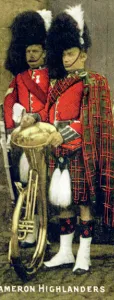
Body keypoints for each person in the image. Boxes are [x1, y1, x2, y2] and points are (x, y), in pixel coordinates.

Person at [21, 5, 114, 275]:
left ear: (83, 55)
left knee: (83, 203)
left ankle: (83, 255)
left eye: (71, 53)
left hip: (80, 149)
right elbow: (46, 112)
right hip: (57, 149)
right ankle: (65, 252)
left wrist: (60, 133)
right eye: (63, 53)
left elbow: (93, 122)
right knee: (63, 204)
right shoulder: (55, 84)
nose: (66, 59)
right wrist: (32, 117)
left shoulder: (94, 82)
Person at [3, 9, 52, 248]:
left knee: (44, 186)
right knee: (26, 184)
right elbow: (9, 102)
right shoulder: (20, 77)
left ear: (44, 53)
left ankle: (46, 228)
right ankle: (30, 229)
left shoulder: (52, 77)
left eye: (35, 51)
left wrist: (37, 116)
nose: (31, 55)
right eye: (28, 51)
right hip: (24, 139)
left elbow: (53, 104)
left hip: (45, 136)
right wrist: (12, 120)